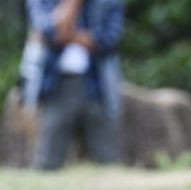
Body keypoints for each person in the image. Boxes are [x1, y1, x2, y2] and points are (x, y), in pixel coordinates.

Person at [25, 0, 124, 170]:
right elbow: (47, 29)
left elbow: (108, 40)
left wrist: (66, 36)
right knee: (49, 161)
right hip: (57, 85)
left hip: (98, 84)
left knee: (107, 158)